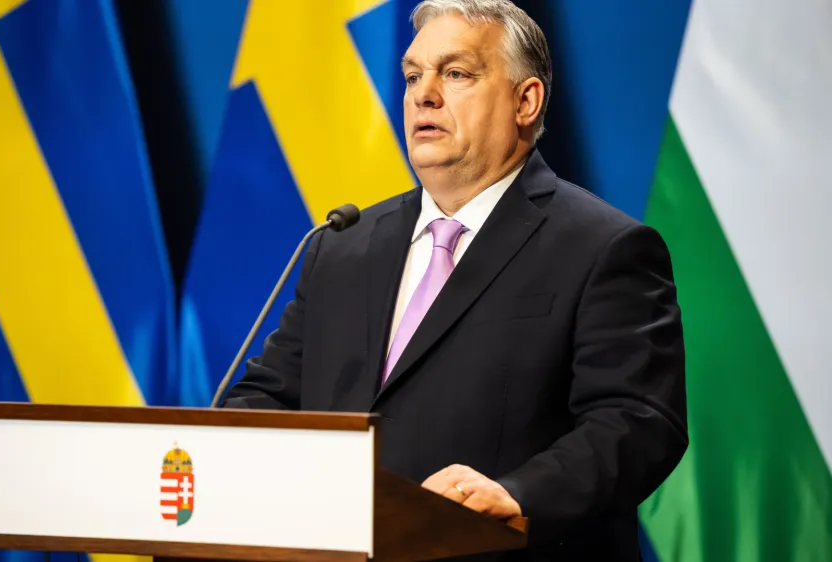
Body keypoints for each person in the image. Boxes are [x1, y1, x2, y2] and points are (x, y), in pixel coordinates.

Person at [222, 0, 688, 559]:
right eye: (414, 75)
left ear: (526, 100)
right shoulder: (343, 244)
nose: (424, 93)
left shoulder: (603, 248)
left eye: (457, 73)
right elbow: (270, 395)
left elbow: (636, 423)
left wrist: (517, 496)